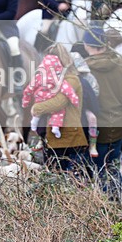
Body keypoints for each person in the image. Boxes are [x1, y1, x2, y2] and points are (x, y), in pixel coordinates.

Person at [84, 26, 122, 198]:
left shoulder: (84, 68)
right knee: (113, 165)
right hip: (118, 124)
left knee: (99, 170)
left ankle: (107, 209)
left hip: (96, 128)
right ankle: (119, 204)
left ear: (86, 45)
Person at [30, 44, 88, 173]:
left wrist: (36, 108)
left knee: (71, 179)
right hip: (53, 137)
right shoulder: (49, 80)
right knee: (54, 179)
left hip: (69, 137)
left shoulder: (71, 79)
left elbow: (59, 102)